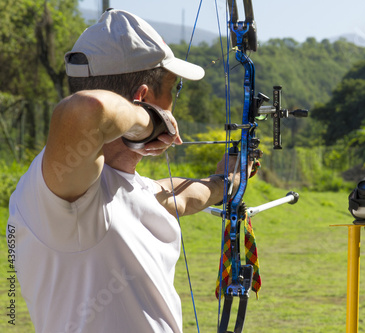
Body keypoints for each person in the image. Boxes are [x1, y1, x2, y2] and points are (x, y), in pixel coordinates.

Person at [8, 9, 246, 333]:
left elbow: (179, 196)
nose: (173, 103)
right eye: (173, 89)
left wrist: (226, 181)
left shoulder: (122, 187)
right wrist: (149, 121)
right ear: (143, 99)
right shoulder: (61, 195)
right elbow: (86, 110)